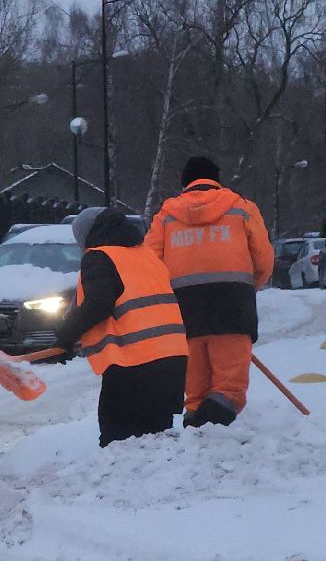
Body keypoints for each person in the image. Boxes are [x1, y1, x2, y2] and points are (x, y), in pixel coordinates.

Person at [145, 157, 274, 427]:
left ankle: (197, 419)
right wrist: (252, 285)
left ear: (185, 183)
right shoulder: (241, 207)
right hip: (232, 301)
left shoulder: (166, 216)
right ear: (217, 180)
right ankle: (210, 421)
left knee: (196, 383)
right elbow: (262, 257)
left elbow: (150, 261)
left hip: (183, 305)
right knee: (230, 385)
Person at [53, 206, 189, 447]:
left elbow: (98, 303)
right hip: (172, 360)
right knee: (156, 442)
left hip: (134, 365)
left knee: (117, 441)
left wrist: (66, 334)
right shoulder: (145, 254)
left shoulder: (100, 257)